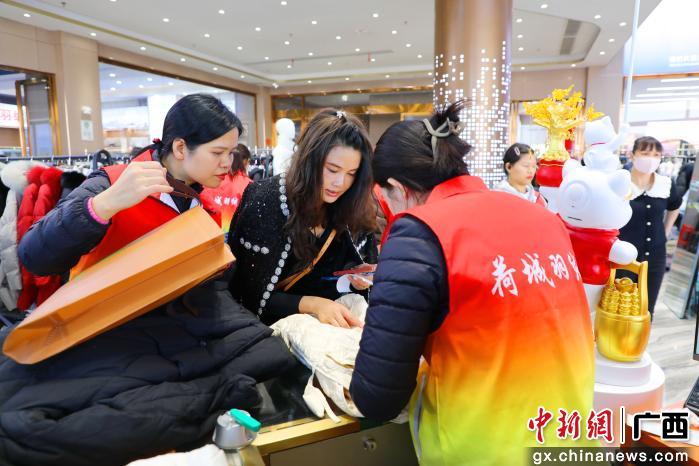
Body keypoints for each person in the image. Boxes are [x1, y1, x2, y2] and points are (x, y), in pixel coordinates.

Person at [349, 102, 596, 465]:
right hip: (572, 439)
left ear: (397, 189)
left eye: (382, 197)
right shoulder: (544, 218)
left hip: (484, 448)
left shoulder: (419, 233)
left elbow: (378, 396)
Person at [18, 93, 242, 277]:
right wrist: (101, 206)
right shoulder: (112, 182)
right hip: (108, 315)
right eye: (218, 153)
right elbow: (34, 256)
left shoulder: (206, 203)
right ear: (180, 148)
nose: (227, 163)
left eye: (231, 153)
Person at [229, 109, 377, 328]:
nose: (340, 183)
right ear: (309, 160)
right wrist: (314, 305)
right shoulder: (266, 199)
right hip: (271, 332)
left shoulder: (355, 206)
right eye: (332, 169)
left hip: (337, 326)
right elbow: (247, 294)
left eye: (351, 173)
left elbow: (364, 273)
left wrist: (360, 280)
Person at [619, 136, 682, 316]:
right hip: (624, 255)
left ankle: (643, 335)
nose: (651, 158)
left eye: (656, 155)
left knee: (646, 308)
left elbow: (675, 205)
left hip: (655, 255)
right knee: (621, 306)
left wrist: (665, 231)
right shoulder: (620, 182)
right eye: (645, 153)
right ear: (632, 155)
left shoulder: (665, 184)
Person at [200, 143, 252, 240]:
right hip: (236, 232)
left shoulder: (212, 181)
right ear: (243, 162)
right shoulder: (248, 183)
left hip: (213, 230)